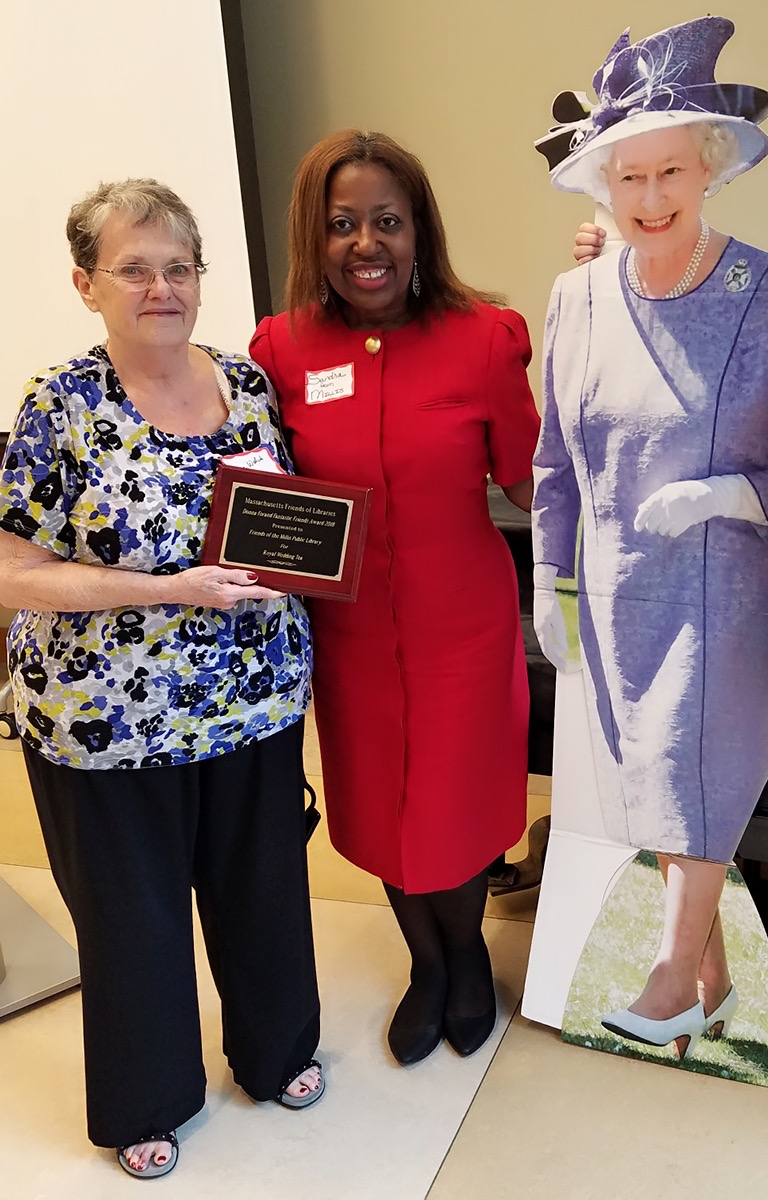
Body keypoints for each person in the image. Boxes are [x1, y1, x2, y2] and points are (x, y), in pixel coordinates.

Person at [0, 180, 324, 1180]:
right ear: (86, 282)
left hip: (255, 704)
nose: (161, 287)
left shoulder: (246, 383)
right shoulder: (60, 404)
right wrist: (165, 587)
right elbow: (10, 572)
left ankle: (276, 1054)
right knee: (132, 919)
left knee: (262, 891)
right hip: (107, 720)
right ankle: (148, 1098)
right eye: (134, 268)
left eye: (178, 267)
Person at [531, 17, 768, 1059]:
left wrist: (726, 498)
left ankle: (668, 983)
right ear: (602, 186)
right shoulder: (573, 297)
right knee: (657, 789)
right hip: (617, 597)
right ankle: (710, 985)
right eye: (630, 179)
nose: (649, 199)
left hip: (727, 600)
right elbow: (555, 460)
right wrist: (546, 571)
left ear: (709, 171)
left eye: (669, 172)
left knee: (696, 773)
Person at [250, 131, 539, 1066]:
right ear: (314, 237)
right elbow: (260, 483)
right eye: (342, 225)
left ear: (419, 232)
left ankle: (465, 960)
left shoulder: (482, 338)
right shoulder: (278, 348)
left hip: (462, 620)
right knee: (380, 805)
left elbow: (536, 480)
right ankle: (426, 964)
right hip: (348, 633)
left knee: (454, 803)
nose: (365, 243)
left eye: (386, 221)